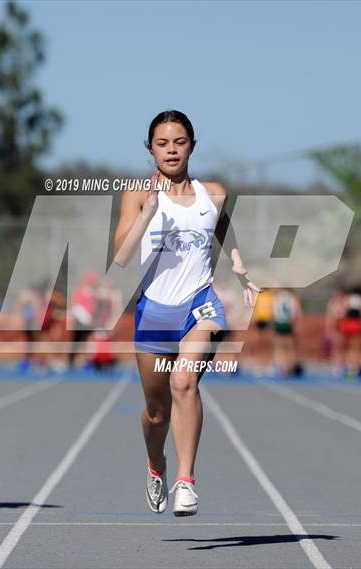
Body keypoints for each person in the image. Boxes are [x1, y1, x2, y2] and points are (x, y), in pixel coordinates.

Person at [113, 110, 261, 516]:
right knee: (157, 413)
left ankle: (186, 480)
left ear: (192, 145)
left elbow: (220, 223)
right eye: (162, 143)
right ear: (150, 149)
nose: (171, 149)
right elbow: (122, 258)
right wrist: (148, 211)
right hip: (154, 312)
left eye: (179, 141)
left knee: (183, 382)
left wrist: (240, 266)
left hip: (201, 305)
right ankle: (157, 464)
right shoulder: (136, 193)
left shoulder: (213, 192)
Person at [272, 288, 303, 376]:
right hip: (289, 323)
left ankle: (281, 367)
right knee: (290, 348)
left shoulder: (277, 297)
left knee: (279, 347)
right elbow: (298, 312)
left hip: (280, 323)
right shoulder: (292, 298)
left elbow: (274, 312)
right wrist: (297, 325)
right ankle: (290, 367)